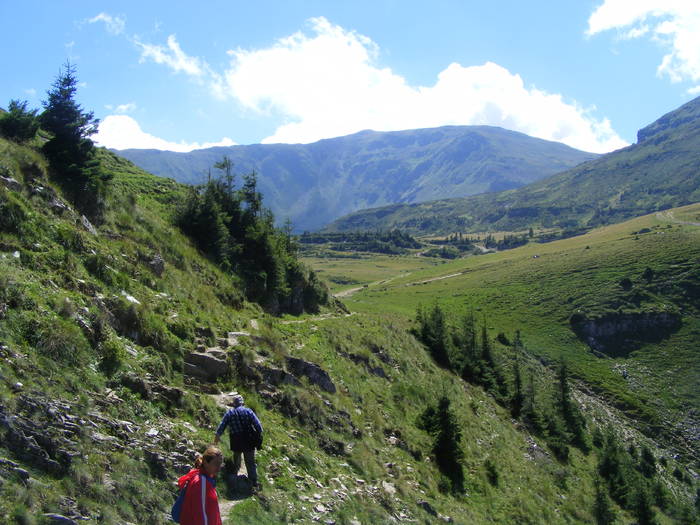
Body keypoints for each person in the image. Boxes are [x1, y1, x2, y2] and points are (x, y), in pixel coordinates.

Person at [214, 394, 263, 490]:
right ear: (242, 403)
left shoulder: (230, 413)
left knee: (236, 459)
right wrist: (257, 437)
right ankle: (253, 483)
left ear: (233, 404)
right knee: (250, 462)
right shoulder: (248, 411)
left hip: (236, 440)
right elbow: (259, 427)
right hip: (249, 440)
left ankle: (234, 480)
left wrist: (216, 438)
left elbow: (222, 426)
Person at [177, 446, 223, 525]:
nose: (219, 468)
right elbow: (199, 514)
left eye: (220, 463)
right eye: (216, 463)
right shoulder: (201, 483)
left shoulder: (206, 480)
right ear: (205, 462)